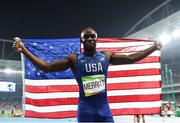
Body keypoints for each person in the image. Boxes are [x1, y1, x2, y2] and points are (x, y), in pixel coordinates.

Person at [13, 27, 160, 122]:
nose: (90, 39)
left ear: (96, 39)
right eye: (86, 37)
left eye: (92, 37)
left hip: (104, 110)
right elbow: (47, 67)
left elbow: (131, 58)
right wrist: (25, 50)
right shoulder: (74, 59)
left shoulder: (106, 56)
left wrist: (154, 47)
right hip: (85, 111)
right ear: (81, 40)